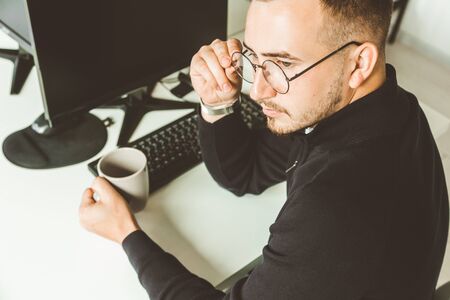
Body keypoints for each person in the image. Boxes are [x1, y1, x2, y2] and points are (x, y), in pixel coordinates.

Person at [79, 0, 449, 299]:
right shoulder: (387, 107)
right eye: (256, 61)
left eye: (283, 64)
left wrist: (126, 232)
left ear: (358, 62)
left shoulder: (337, 206)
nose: (257, 92)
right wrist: (218, 103)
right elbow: (245, 173)